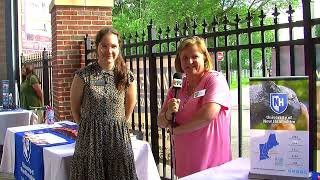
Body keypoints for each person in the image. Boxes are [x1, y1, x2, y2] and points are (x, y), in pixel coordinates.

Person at [157, 36, 232, 177]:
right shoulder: (177, 86)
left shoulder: (214, 80)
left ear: (204, 57)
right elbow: (160, 122)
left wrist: (176, 131)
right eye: (184, 58)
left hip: (212, 165)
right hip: (185, 162)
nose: (189, 62)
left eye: (194, 56)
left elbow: (207, 115)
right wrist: (168, 113)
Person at [70, 27, 138, 180]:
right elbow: (75, 109)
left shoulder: (127, 77)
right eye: (104, 46)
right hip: (90, 139)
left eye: (113, 46)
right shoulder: (83, 76)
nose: (109, 50)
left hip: (118, 138)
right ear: (97, 47)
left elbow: (129, 108)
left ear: (119, 48)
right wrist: (89, 127)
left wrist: (116, 124)